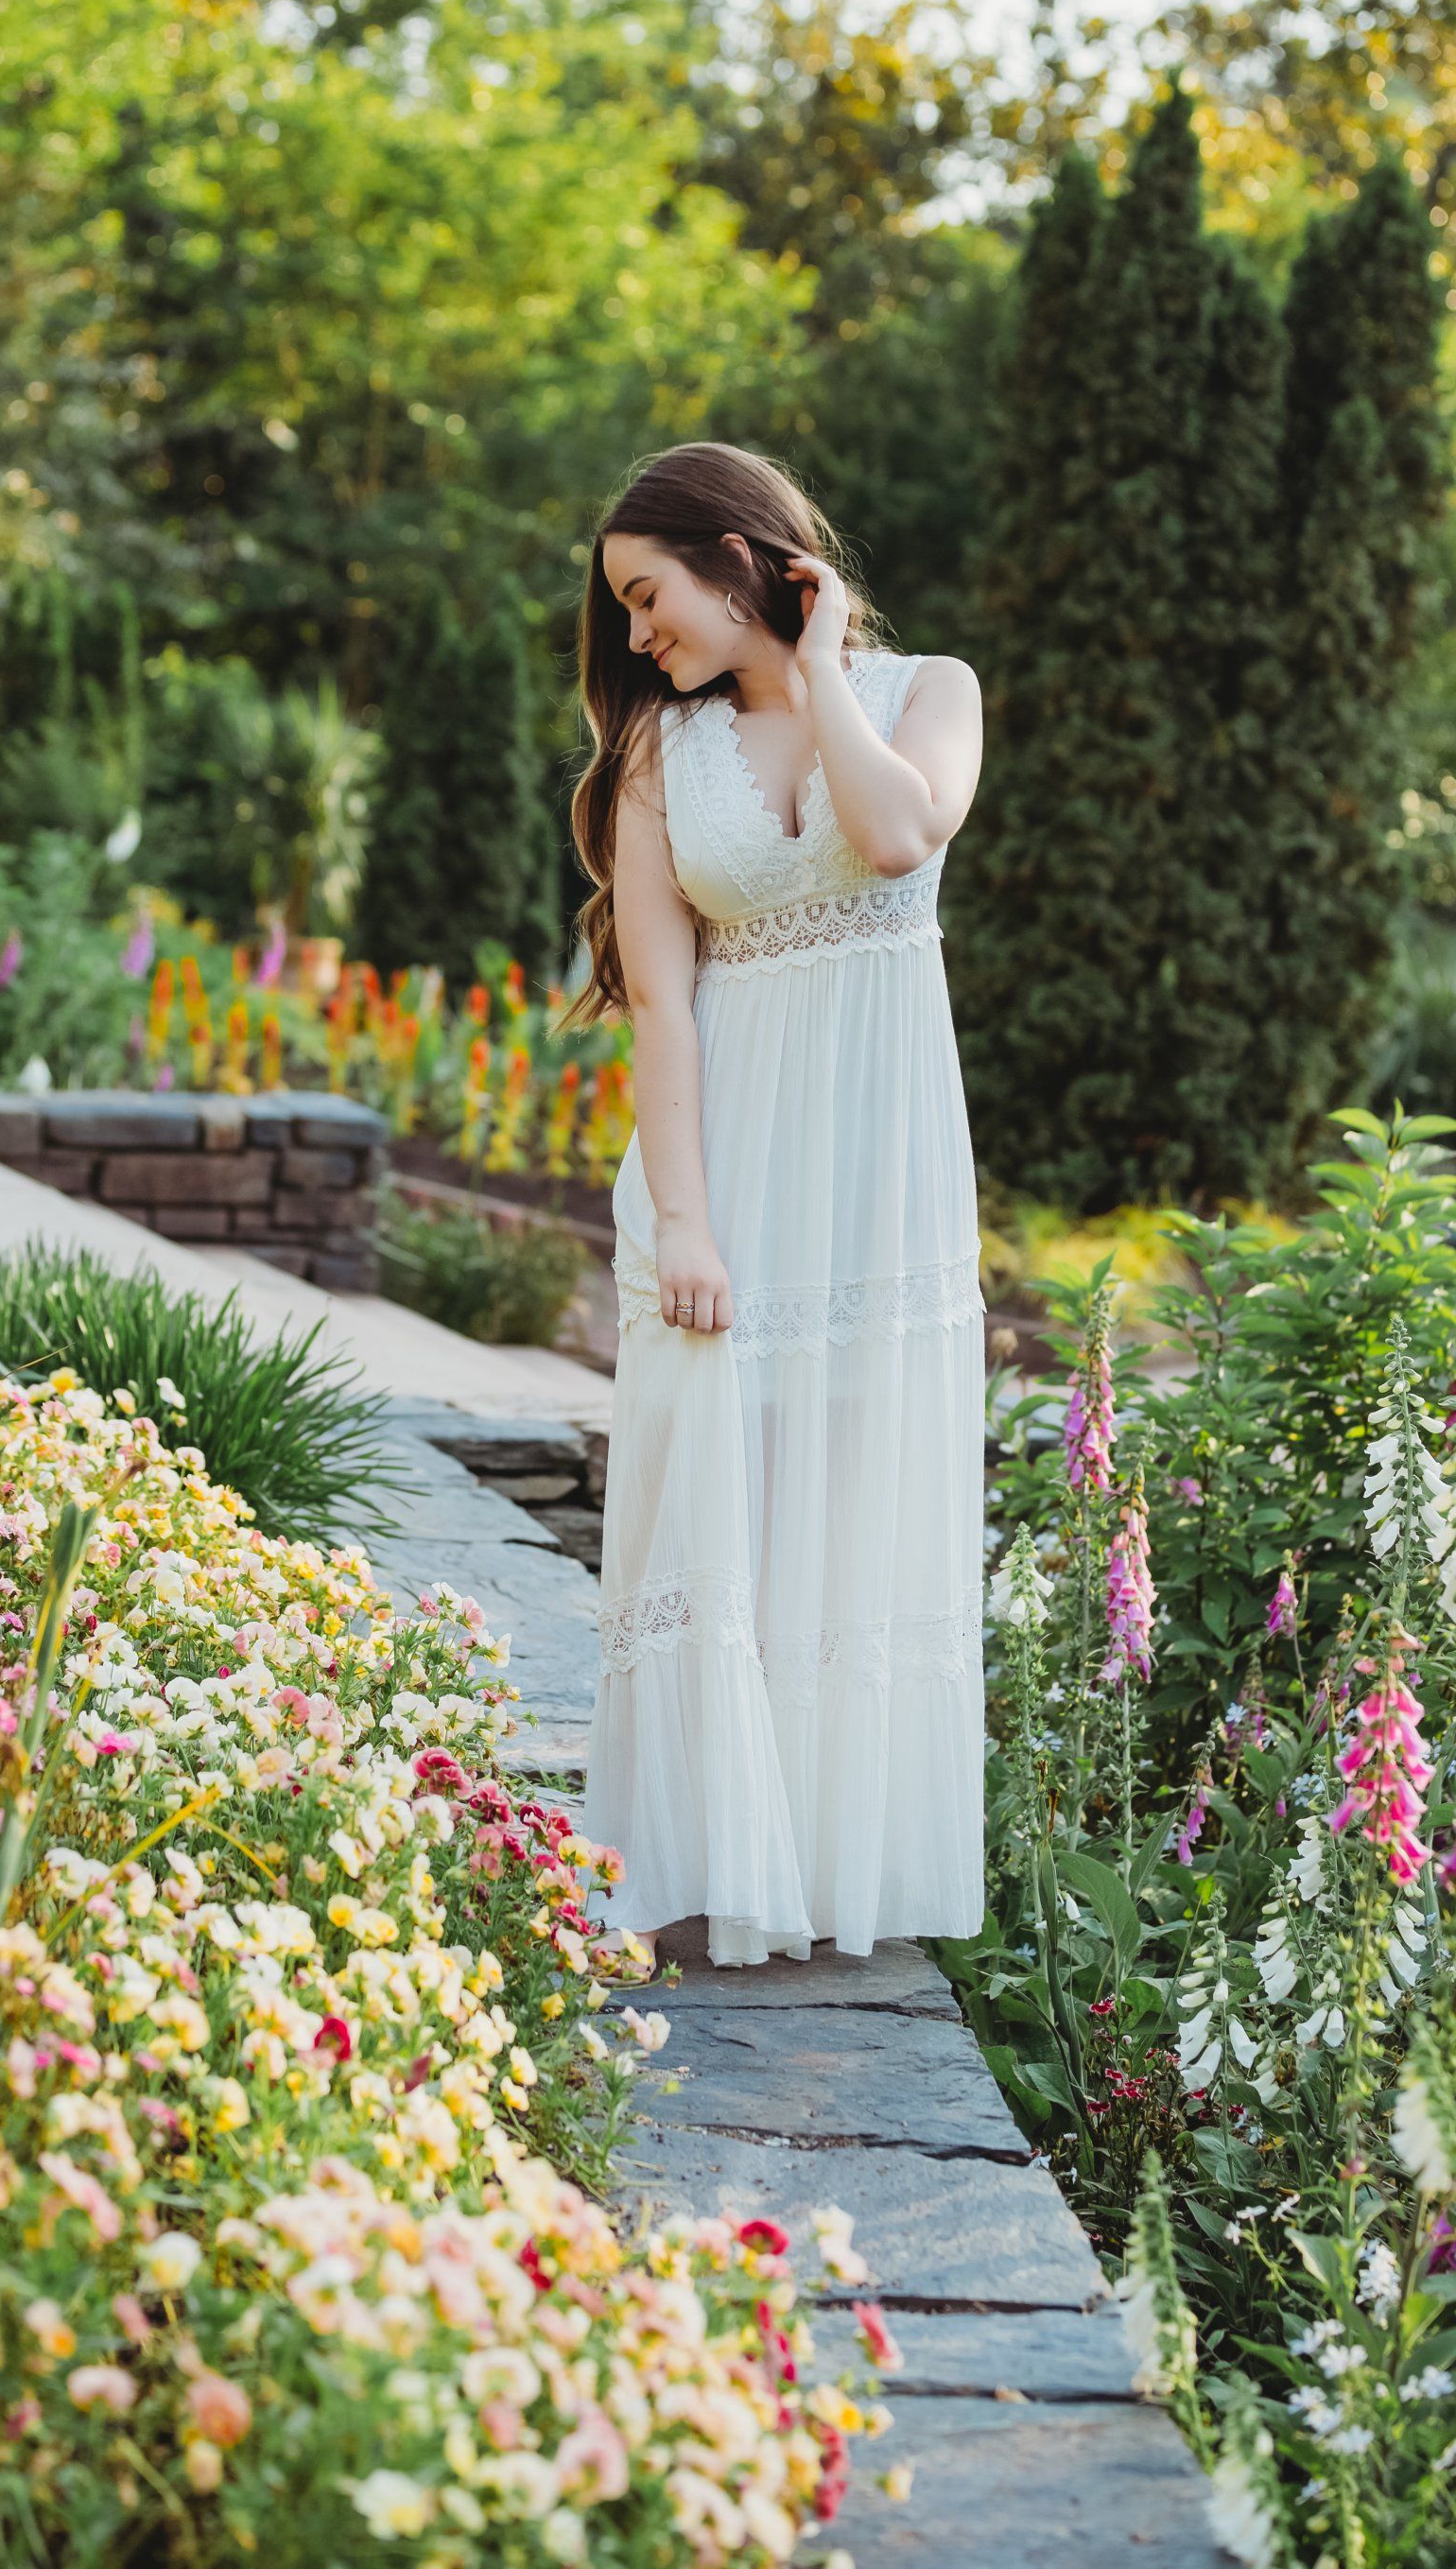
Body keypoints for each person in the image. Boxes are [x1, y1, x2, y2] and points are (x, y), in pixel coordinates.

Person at [563, 441, 988, 1969]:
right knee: (711, 1508)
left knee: (851, 1500)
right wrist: (683, 1221)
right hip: (722, 1175)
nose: (635, 634)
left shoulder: (929, 693)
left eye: (647, 592)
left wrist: (818, 668)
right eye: (623, 606)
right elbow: (663, 1014)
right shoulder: (655, 764)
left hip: (875, 1176)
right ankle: (699, 1870)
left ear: (741, 555)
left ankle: (823, 1872)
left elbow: (892, 838)